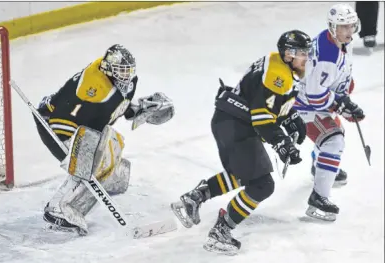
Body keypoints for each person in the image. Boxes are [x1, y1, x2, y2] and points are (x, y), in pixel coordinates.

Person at [171, 30, 310, 255]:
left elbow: (263, 100)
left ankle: (195, 197)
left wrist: (289, 115)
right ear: (288, 54)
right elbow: (262, 119)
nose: (306, 59)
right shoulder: (278, 75)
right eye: (302, 53)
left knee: (246, 172)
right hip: (236, 126)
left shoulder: (276, 64)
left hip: (229, 121)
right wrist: (282, 142)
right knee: (262, 184)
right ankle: (221, 232)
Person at [34, 44, 174, 235]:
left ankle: (106, 178)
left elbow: (115, 108)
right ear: (108, 69)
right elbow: (67, 119)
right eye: (121, 71)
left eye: (128, 71)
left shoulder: (119, 83)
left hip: (77, 123)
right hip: (55, 125)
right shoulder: (94, 87)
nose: (126, 76)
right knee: (88, 158)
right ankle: (57, 208)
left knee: (108, 143)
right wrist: (82, 158)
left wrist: (142, 110)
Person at [293, 4, 365, 221]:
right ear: (333, 27)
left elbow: (338, 74)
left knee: (335, 131)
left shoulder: (338, 41)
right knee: (333, 140)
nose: (348, 31)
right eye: (343, 27)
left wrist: (344, 90)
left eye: (351, 25)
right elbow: (315, 96)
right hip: (302, 106)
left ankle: (319, 166)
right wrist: (341, 104)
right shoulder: (327, 54)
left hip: (312, 101)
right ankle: (319, 199)